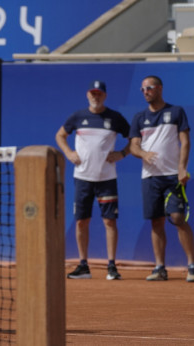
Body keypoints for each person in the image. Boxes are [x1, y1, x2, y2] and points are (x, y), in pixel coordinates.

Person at [56, 80, 130, 280]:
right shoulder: (78, 117)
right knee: (81, 221)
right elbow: (60, 135)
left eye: (99, 94)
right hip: (82, 178)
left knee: (109, 221)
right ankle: (83, 266)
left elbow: (135, 138)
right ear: (88, 95)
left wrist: (122, 153)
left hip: (106, 178)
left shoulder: (115, 118)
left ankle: (112, 266)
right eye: (93, 93)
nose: (96, 97)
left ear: (104, 96)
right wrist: (69, 152)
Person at [129, 75, 194, 282]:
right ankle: (160, 268)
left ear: (159, 89)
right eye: (142, 89)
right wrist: (143, 154)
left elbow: (185, 142)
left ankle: (192, 265)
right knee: (156, 222)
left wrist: (182, 168)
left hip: (172, 176)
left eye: (149, 88)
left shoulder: (176, 112)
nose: (145, 92)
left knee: (177, 218)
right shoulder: (139, 117)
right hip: (150, 177)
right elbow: (133, 146)